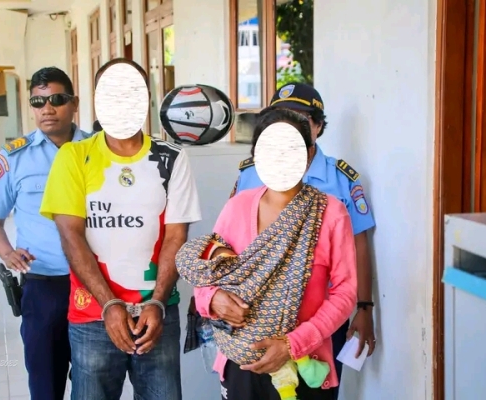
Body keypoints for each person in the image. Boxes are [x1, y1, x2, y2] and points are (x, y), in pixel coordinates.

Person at [39, 60, 201, 400]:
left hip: (156, 315)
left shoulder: (171, 158)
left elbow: (176, 236)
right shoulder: (73, 156)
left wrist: (156, 302)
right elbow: (71, 235)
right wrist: (109, 304)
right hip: (92, 316)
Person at [185, 108, 357, 400]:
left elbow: (345, 292)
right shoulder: (237, 208)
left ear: (308, 154)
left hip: (305, 362)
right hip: (241, 361)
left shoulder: (330, 213)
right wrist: (212, 299)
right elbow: (206, 271)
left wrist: (293, 344)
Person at [232, 83, 377, 398]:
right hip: (256, 316)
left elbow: (359, 246)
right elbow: (228, 244)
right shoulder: (251, 174)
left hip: (321, 318)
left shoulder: (339, 179)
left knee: (314, 389)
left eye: (299, 118)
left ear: (318, 126)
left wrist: (364, 307)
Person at [0, 67, 91, 400]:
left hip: (94, 284)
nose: (47, 108)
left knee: (94, 383)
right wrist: (7, 253)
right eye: (38, 101)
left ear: (74, 103)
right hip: (43, 287)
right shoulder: (15, 157)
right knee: (45, 385)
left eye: (57, 99)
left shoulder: (98, 151)